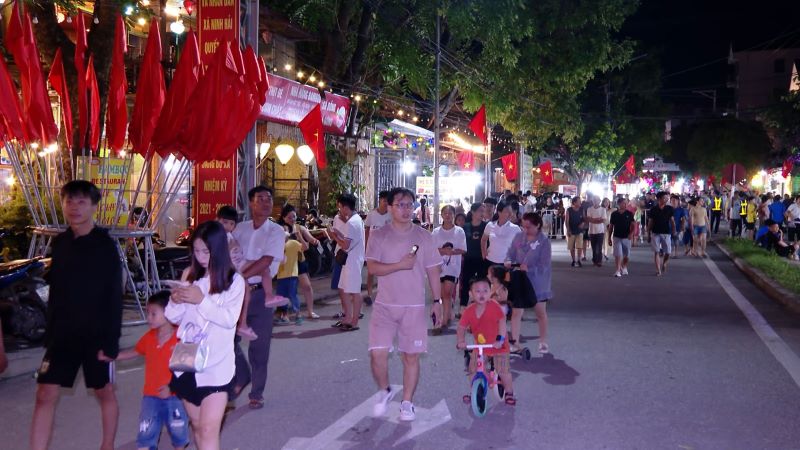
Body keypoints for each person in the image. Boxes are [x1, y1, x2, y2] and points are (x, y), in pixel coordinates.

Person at [30, 180, 122, 450]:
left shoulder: (104, 246)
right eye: (70, 201)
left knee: (104, 391)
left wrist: (112, 343)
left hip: (97, 335)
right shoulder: (60, 243)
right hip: (63, 335)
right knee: (45, 393)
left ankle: (107, 445)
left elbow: (114, 295)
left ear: (94, 206)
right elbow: (56, 291)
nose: (74, 207)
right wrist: (50, 331)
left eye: (82, 202)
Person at [366, 187, 442, 422]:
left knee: (411, 357)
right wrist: (399, 265)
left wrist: (438, 302)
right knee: (377, 354)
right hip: (385, 305)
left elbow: (433, 271)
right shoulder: (379, 235)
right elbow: (372, 268)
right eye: (400, 205)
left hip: (414, 307)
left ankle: (407, 402)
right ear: (389, 207)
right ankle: (385, 390)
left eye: (410, 205)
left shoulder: (424, 236)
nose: (406, 209)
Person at [167, 221, 244, 450]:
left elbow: (229, 320)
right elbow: (174, 317)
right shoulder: (190, 274)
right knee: (198, 425)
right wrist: (176, 299)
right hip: (188, 362)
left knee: (210, 429)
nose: (201, 257)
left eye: (206, 251)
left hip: (217, 367)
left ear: (218, 250)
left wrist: (201, 300)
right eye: (197, 251)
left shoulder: (233, 281)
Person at [232, 186, 286, 410]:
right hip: (235, 294)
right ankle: (240, 377)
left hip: (261, 293)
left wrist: (239, 276)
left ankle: (256, 392)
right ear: (251, 203)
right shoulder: (240, 229)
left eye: (269, 199)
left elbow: (266, 262)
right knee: (227, 341)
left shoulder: (276, 231)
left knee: (260, 347)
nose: (265, 202)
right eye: (260, 199)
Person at [116, 291, 189, 450]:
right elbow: (135, 351)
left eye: (153, 313)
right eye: (147, 312)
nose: (148, 317)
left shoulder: (180, 337)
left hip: (175, 396)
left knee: (178, 431)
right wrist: (115, 356)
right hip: (150, 395)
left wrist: (172, 387)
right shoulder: (149, 336)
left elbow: (185, 369)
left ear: (169, 312)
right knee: (146, 431)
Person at [456, 278, 515, 406]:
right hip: (481, 346)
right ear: (471, 294)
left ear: (490, 292)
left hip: (498, 345)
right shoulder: (469, 311)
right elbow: (461, 327)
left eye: (485, 291)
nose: (482, 294)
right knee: (473, 369)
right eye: (477, 291)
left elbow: (502, 322)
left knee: (503, 370)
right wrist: (461, 340)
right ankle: (473, 392)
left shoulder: (494, 306)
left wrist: (500, 339)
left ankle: (509, 392)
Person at [505, 212, 552, 354]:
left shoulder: (544, 241)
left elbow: (545, 264)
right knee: (516, 311)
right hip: (520, 279)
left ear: (537, 225)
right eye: (523, 226)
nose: (525, 230)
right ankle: (515, 342)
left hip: (538, 282)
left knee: (540, 313)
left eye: (529, 227)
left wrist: (530, 268)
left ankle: (543, 341)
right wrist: (508, 260)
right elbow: (511, 252)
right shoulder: (519, 236)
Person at [216, 206, 258, 340]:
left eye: (231, 223)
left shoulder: (229, 236)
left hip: (237, 270)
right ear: (217, 220)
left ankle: (241, 323)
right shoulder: (216, 237)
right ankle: (241, 324)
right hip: (228, 273)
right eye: (225, 222)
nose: (228, 226)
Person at [329, 193, 366, 331]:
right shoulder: (356, 220)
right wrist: (339, 234)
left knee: (355, 291)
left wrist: (334, 236)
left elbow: (345, 246)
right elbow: (349, 240)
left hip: (352, 260)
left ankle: (354, 321)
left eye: (340, 207)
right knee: (344, 288)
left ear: (345, 207)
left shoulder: (352, 222)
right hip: (349, 261)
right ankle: (347, 318)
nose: (339, 210)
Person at [278, 204, 321, 320]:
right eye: (289, 217)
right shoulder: (281, 229)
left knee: (307, 286)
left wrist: (312, 240)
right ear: (283, 218)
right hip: (286, 263)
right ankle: (284, 313)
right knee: (285, 289)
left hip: (299, 261)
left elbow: (309, 241)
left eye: (294, 217)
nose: (292, 219)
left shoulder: (299, 228)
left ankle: (310, 311)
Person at [432, 205, 467, 333]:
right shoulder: (436, 232)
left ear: (454, 215)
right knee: (442, 294)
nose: (448, 215)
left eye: (450, 213)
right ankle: (448, 314)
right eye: (445, 213)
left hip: (453, 267)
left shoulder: (459, 231)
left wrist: (450, 252)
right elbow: (432, 249)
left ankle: (443, 320)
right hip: (438, 267)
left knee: (447, 292)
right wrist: (443, 251)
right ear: (441, 215)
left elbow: (463, 249)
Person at [364, 191, 392, 306]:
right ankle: (369, 294)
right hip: (372, 248)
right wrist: (366, 246)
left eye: (388, 201)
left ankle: (384, 295)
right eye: (384, 200)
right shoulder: (371, 215)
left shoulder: (390, 215)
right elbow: (366, 230)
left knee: (385, 273)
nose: (386, 203)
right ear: (380, 200)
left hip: (386, 249)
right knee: (371, 272)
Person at [460, 203, 487, 315]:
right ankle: (463, 308)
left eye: (483, 211)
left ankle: (482, 307)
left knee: (482, 284)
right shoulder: (465, 227)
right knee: (466, 283)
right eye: (480, 211)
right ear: (473, 212)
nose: (482, 213)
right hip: (468, 259)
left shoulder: (486, 226)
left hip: (482, 260)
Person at [275, 231, 307, 325]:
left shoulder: (292, 243)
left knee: (292, 295)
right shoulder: (277, 246)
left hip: (291, 275)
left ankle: (298, 315)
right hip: (280, 276)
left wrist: (300, 236)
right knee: (281, 297)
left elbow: (305, 247)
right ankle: (284, 316)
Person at [481, 199, 522, 270]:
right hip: (490, 261)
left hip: (507, 264)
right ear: (499, 212)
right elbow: (483, 240)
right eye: (507, 211)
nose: (510, 214)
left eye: (511, 211)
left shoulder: (515, 228)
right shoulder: (490, 225)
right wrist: (484, 254)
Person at [646, 192, 676, 276]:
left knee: (668, 252)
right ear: (659, 199)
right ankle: (658, 270)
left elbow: (672, 221)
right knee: (656, 251)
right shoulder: (653, 209)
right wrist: (648, 233)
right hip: (655, 232)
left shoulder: (670, 209)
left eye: (667, 198)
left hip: (666, 232)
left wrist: (674, 231)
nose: (666, 199)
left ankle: (665, 263)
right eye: (665, 198)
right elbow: (650, 222)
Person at [608, 198, 636, 277]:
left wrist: (631, 233)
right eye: (624, 203)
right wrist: (609, 238)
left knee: (626, 255)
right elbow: (611, 226)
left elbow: (633, 225)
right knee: (618, 254)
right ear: (619, 204)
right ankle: (617, 270)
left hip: (627, 237)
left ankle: (624, 266)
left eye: (626, 203)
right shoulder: (614, 214)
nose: (625, 205)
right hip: (617, 237)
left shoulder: (629, 213)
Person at [586, 196, 608, 267]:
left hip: (600, 231)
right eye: (594, 200)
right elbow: (589, 219)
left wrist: (594, 220)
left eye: (597, 200)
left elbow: (603, 220)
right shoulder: (589, 209)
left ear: (599, 201)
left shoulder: (603, 209)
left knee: (599, 246)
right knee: (594, 247)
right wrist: (597, 219)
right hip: (592, 231)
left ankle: (599, 260)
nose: (595, 201)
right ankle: (595, 260)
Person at [565, 196, 585, 267]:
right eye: (579, 201)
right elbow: (566, 221)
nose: (580, 202)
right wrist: (568, 230)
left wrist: (582, 223)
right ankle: (573, 260)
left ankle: (579, 259)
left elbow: (583, 218)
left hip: (579, 231)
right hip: (571, 230)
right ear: (574, 202)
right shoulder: (569, 210)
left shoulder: (581, 209)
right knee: (571, 247)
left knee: (579, 246)